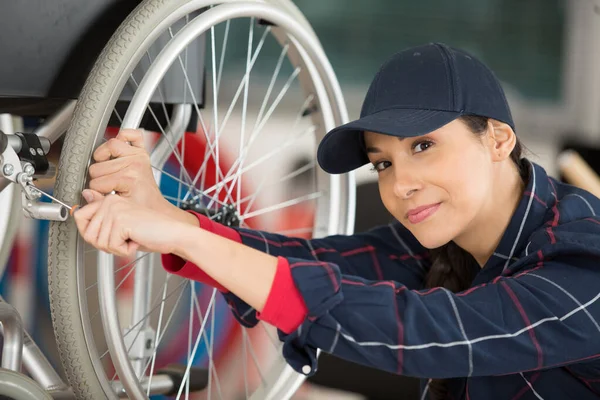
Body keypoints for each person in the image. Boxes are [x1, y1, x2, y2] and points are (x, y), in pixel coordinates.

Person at [74, 43, 600, 399]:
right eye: (383, 163)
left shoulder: (585, 261)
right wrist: (167, 217)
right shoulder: (446, 242)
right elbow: (311, 262)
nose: (399, 185)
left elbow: (427, 331)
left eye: (424, 145)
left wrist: (183, 233)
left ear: (499, 139)